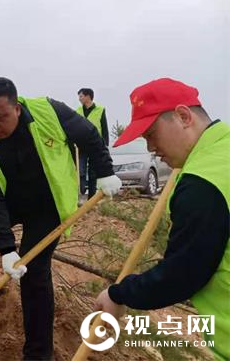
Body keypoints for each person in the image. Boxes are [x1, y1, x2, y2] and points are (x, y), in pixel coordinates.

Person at [0, 77, 120, 360]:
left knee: (33, 270)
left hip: (48, 204)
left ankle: (38, 354)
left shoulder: (49, 112)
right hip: (8, 200)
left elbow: (90, 136)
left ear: (17, 108)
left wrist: (105, 171)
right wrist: (6, 249)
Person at [95, 78, 229, 361]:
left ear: (183, 116)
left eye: (151, 134)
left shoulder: (202, 181)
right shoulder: (222, 152)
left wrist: (119, 294)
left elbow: (184, 272)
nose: (151, 148)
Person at [76, 88, 109, 198]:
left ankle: (91, 196)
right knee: (80, 170)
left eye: (81, 96)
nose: (79, 99)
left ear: (88, 96)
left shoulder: (100, 109)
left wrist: (105, 145)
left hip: (96, 145)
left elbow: (104, 128)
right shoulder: (78, 111)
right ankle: (81, 192)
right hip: (82, 145)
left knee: (92, 173)